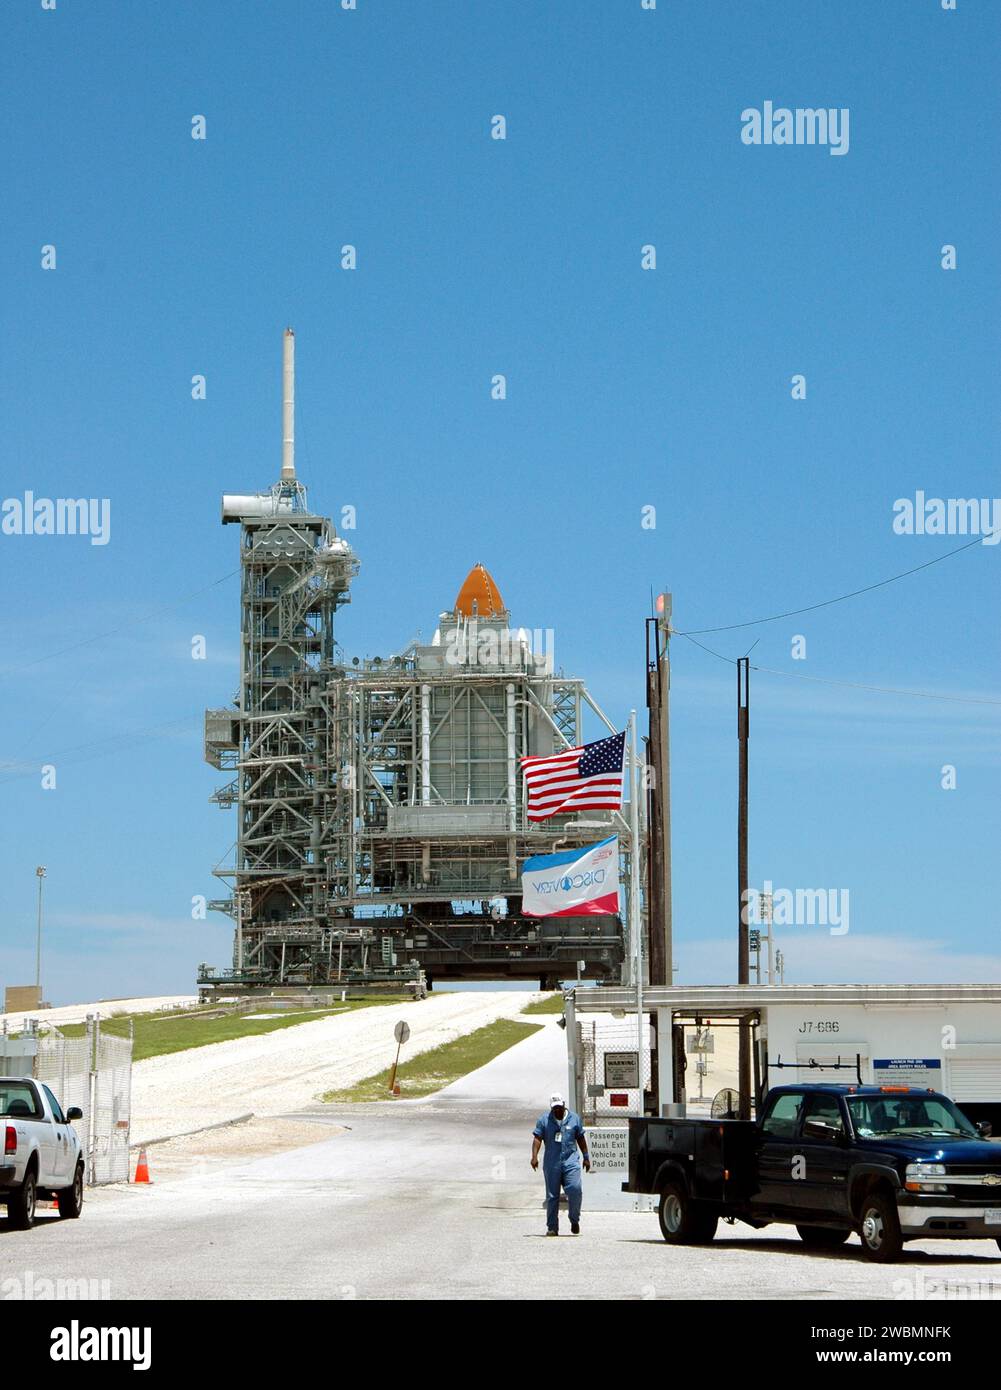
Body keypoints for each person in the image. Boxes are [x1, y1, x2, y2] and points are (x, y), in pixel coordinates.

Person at [531, 1091, 590, 1236]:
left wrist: (586, 1157)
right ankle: (552, 1227)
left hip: (571, 1161)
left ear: (564, 1105)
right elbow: (537, 1138)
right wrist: (534, 1156)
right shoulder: (544, 1120)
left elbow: (581, 1139)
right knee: (552, 1196)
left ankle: (574, 1219)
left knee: (575, 1189)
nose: (557, 1110)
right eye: (554, 1108)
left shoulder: (574, 1119)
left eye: (559, 1107)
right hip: (552, 1163)